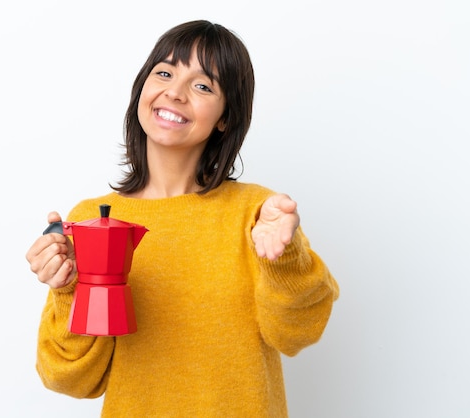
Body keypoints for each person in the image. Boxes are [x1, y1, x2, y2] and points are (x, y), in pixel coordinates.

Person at [26, 19, 339, 417]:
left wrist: (284, 257)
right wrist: (68, 287)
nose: (174, 92)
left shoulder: (259, 214)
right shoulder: (90, 221)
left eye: (203, 85)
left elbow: (299, 333)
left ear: (226, 116)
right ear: (143, 89)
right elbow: (69, 379)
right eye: (165, 73)